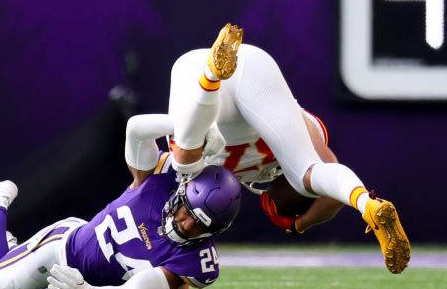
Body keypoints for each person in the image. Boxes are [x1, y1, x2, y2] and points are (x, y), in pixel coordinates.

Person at [124, 23, 411, 274]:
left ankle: (210, 79)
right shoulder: (302, 133)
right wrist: (298, 225)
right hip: (235, 78)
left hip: (231, 74)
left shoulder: (304, 133)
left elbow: (330, 191)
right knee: (188, 164)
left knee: (186, 164)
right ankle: (209, 80)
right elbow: (329, 187)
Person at [0, 159, 242, 289]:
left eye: (201, 225)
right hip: (63, 248)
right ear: (180, 194)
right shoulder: (156, 183)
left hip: (83, 277)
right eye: (187, 213)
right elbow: (137, 131)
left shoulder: (197, 259)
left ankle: (8, 247)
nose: (187, 225)